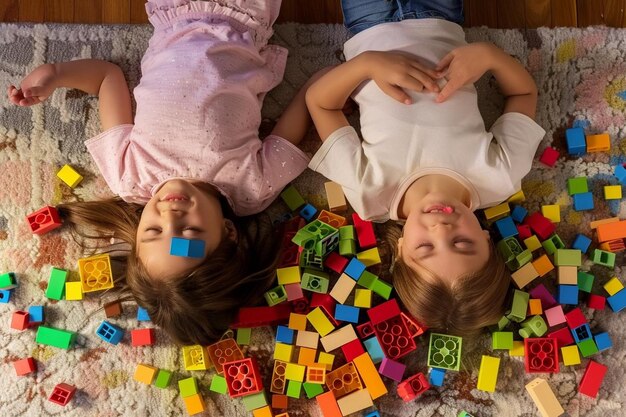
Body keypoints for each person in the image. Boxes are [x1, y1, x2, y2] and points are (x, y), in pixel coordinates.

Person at [8, 0, 316, 345]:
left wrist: (57, 73)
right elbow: (304, 107)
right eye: (190, 230)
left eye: (153, 229)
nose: (170, 213)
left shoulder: (129, 176)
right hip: (242, 15)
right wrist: (330, 87)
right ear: (229, 232)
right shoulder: (252, 188)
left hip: (175, 10)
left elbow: (107, 77)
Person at [305, 0, 545, 337]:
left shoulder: (369, 195)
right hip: (440, 17)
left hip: (369, 27)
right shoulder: (500, 177)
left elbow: (319, 102)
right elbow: (523, 91)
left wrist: (367, 65)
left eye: (425, 248)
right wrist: (490, 56)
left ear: (400, 250)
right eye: (462, 243)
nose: (441, 228)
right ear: (487, 240)